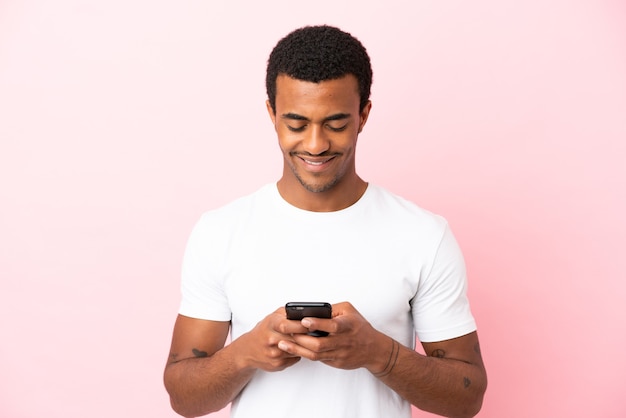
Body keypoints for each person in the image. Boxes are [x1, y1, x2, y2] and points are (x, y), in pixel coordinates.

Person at [164, 25, 487, 418]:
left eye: (336, 124)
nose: (315, 144)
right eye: (296, 124)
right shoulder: (219, 232)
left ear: (363, 115)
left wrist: (379, 354)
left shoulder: (423, 235)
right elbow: (183, 398)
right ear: (272, 113)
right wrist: (244, 355)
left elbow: (467, 398)